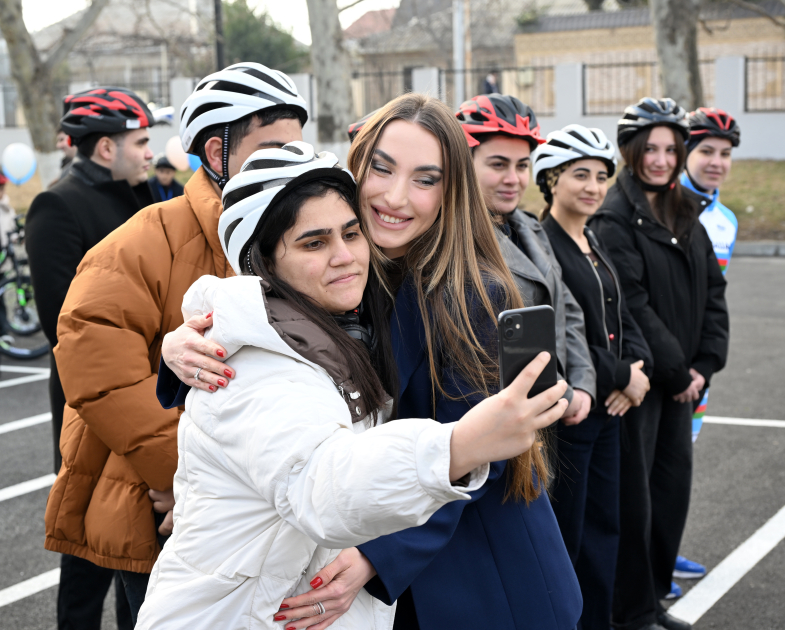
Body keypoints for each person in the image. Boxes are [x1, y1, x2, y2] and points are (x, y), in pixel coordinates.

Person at [159, 93, 583, 630]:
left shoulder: (473, 292)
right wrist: (183, 347)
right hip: (382, 567)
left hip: (479, 566)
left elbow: (480, 447)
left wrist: (378, 557)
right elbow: (269, 337)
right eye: (381, 169)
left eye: (425, 179)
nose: (395, 196)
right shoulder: (349, 273)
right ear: (354, 169)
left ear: (451, 194)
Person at [43, 62, 308, 625]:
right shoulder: (143, 239)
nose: (293, 161)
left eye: (299, 147)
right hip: (157, 511)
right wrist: (180, 475)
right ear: (217, 154)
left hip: (265, 510)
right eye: (275, 147)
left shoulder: (295, 234)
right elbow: (95, 365)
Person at [589, 97, 730, 630]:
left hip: (684, 382)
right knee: (637, 506)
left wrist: (704, 365)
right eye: (651, 148)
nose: (661, 158)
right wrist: (675, 372)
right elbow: (633, 303)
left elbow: (714, 293)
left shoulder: (684, 210)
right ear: (631, 151)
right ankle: (632, 613)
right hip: (649, 384)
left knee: (671, 499)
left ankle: (651, 602)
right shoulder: (614, 215)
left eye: (671, 148)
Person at [26, 85, 155, 630]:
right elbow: (67, 326)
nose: (151, 152)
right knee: (87, 567)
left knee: (141, 563)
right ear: (106, 148)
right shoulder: (57, 205)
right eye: (142, 141)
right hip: (93, 416)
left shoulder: (143, 196)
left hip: (152, 403)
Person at [532, 124, 653, 630]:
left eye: (602, 177)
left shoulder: (594, 239)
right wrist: (625, 376)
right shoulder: (545, 244)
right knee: (571, 534)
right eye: (580, 175)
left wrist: (636, 371)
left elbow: (623, 316)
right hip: (576, 411)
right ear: (551, 180)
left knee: (607, 528)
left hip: (610, 409)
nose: (594, 187)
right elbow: (565, 333)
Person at [455, 93, 596, 423]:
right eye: (498, 164)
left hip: (556, 407)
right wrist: (565, 393)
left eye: (521, 166)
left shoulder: (530, 227)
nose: (513, 179)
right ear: (465, 163)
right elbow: (493, 348)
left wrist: (584, 383)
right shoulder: (454, 241)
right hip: (499, 421)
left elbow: (568, 308)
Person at [669, 108, 741, 589]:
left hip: (699, 368)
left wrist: (704, 364)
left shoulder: (727, 220)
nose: (716, 162)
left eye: (725, 153)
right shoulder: (664, 205)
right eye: (706, 152)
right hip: (661, 369)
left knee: (681, 462)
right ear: (686, 155)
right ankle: (649, 561)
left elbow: (715, 299)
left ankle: (666, 552)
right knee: (654, 467)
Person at [0, 173, 15, 250]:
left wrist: (15, 237)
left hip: (7, 249)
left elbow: (12, 224)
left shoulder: (7, 208)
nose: (2, 192)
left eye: (2, 188)